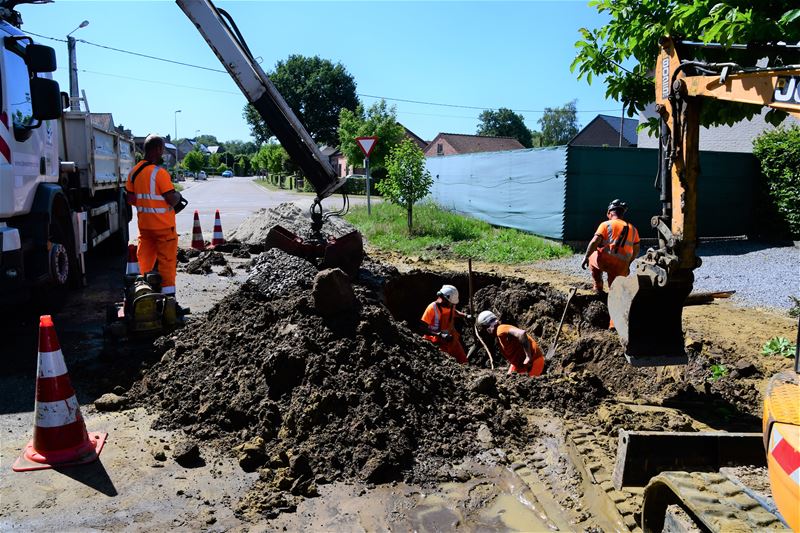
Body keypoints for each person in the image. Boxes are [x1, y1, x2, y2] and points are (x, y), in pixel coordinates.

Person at [125, 134, 187, 297]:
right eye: (162, 150)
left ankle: (144, 295)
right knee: (167, 264)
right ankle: (169, 299)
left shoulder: (134, 172)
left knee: (144, 263)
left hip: (145, 229)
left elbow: (131, 199)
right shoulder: (160, 173)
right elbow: (171, 199)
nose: (162, 153)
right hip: (164, 229)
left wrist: (147, 206)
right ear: (158, 149)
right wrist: (179, 197)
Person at [580, 199, 640, 294]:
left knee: (592, 256)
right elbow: (636, 250)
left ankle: (598, 287)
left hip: (605, 262)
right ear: (622, 214)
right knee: (615, 287)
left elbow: (594, 242)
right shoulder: (633, 229)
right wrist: (628, 263)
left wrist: (586, 257)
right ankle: (614, 295)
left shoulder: (605, 224)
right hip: (622, 266)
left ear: (609, 213)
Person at [476, 311, 545, 376]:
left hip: (534, 362)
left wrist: (528, 356)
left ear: (488, 326)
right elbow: (514, 354)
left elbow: (521, 333)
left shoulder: (501, 329)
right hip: (524, 365)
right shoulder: (499, 336)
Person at [421, 284, 469, 364]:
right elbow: (422, 327)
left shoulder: (450, 305)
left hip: (450, 338)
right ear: (444, 299)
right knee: (446, 362)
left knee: (463, 359)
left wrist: (465, 316)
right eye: (451, 303)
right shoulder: (432, 308)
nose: (452, 305)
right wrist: (439, 334)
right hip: (436, 342)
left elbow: (454, 312)